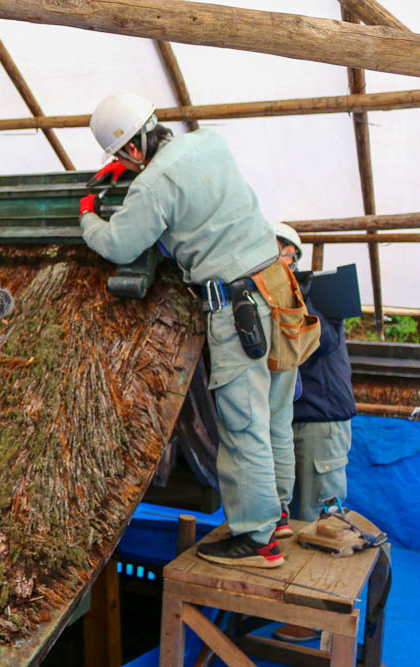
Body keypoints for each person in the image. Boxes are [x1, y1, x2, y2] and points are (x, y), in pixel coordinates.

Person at [79, 92, 301, 568]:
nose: (126, 165)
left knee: (244, 425)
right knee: (276, 412)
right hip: (279, 288)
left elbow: (119, 244)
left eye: (122, 158)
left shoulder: (152, 185)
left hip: (239, 306)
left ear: (133, 151)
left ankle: (258, 538)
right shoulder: (210, 142)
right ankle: (279, 513)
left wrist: (88, 218)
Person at [270, 222, 356, 644]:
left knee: (322, 522)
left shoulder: (318, 300)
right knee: (297, 519)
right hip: (300, 424)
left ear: (291, 255)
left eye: (278, 254)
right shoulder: (291, 297)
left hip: (321, 426)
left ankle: (322, 620)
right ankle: (302, 609)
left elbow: (311, 341)